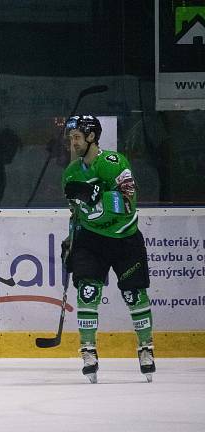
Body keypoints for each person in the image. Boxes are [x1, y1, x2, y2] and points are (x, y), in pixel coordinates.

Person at [62, 115, 155, 383]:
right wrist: (70, 240)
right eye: (71, 138)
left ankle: (145, 348)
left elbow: (129, 204)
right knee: (87, 292)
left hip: (125, 239)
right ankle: (88, 350)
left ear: (92, 137)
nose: (73, 142)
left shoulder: (114, 163)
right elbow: (75, 213)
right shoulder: (70, 173)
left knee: (134, 295)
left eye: (77, 137)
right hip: (90, 241)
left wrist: (99, 197)